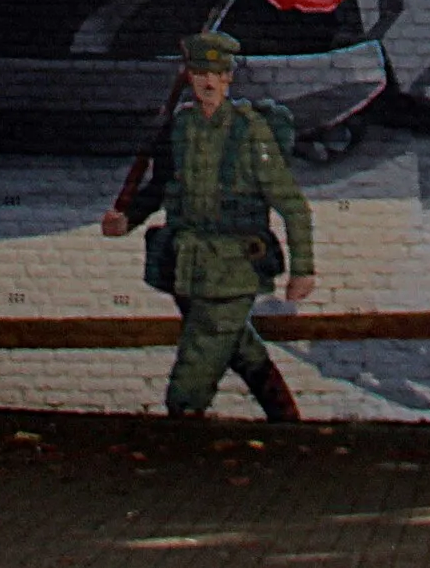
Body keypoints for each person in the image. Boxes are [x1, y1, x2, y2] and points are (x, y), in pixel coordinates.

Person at [102, 30, 315, 419]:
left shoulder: (250, 132)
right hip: (185, 266)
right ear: (189, 76)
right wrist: (127, 219)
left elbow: (292, 204)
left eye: (217, 73)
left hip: (235, 267)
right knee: (237, 348)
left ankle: (183, 437)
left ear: (229, 77)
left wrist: (303, 270)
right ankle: (287, 423)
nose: (208, 82)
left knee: (194, 370)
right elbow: (161, 186)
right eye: (200, 72)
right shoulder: (181, 129)